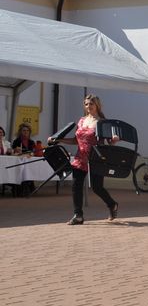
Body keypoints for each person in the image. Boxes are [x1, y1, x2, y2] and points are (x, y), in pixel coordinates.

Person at [49, 94, 120, 225]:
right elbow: (75, 140)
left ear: (97, 105)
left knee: (97, 187)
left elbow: (110, 142)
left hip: (96, 158)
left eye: (91, 104)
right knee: (76, 186)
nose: (88, 106)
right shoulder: (82, 120)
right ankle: (78, 215)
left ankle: (112, 204)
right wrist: (58, 140)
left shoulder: (102, 122)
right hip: (80, 157)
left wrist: (114, 140)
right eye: (86, 104)